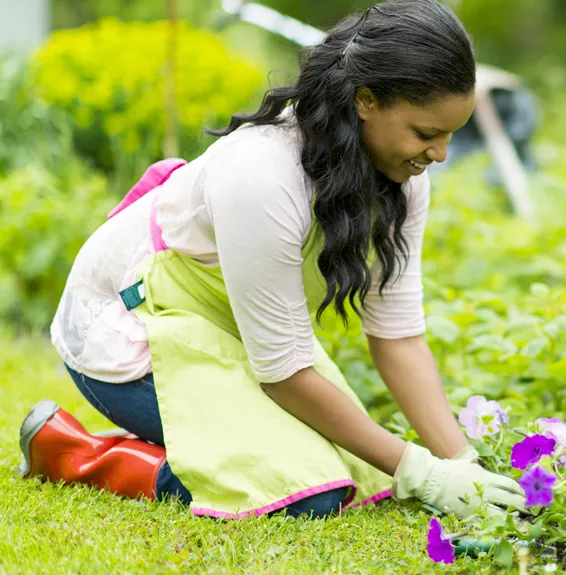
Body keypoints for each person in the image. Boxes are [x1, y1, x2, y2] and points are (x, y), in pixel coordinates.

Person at [18, 0, 525, 520]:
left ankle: (199, 432)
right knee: (310, 492)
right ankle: (79, 455)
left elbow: (396, 333)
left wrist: (459, 460)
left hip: (234, 334)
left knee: (350, 465)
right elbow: (284, 373)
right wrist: (424, 474)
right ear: (366, 101)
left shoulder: (401, 179)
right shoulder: (264, 173)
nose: (439, 154)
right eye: (425, 134)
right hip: (131, 335)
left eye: (449, 135)